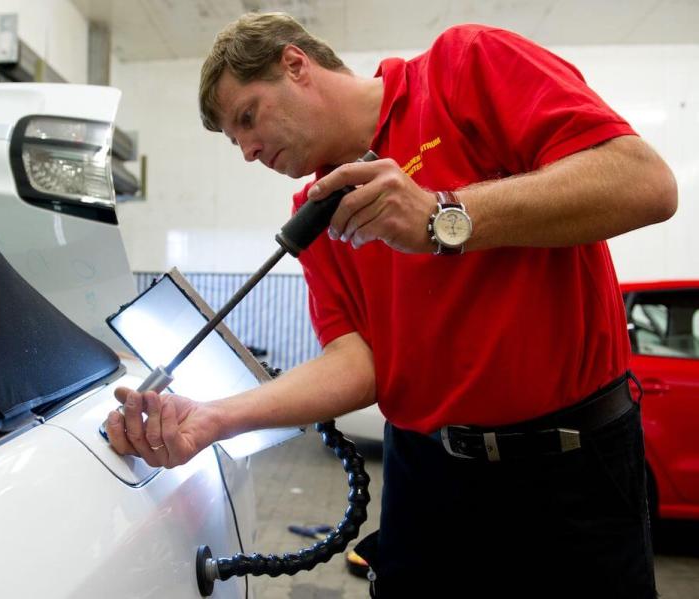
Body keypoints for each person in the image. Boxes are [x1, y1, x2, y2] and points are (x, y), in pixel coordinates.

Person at [106, 12, 677, 598]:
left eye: (247, 117)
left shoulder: (465, 68)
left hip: (572, 471)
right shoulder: (320, 209)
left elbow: (645, 184)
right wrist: (215, 418)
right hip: (430, 480)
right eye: (235, 141)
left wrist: (444, 216)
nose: (249, 150)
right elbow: (359, 363)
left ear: (295, 64)